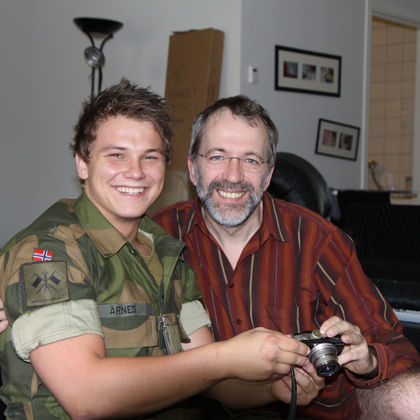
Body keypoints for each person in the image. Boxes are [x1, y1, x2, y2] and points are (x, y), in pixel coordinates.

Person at [0, 80, 314, 420]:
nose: (135, 172)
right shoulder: (49, 250)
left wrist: (273, 390)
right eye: (117, 155)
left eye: (150, 157)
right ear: (82, 164)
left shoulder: (164, 248)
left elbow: (210, 380)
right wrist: (226, 357)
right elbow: (86, 397)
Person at [152, 95, 420, 419]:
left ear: (268, 176)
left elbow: (393, 343)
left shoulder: (319, 241)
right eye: (218, 156)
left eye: (251, 160)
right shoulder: (158, 238)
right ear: (193, 169)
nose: (233, 175)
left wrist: (368, 359)